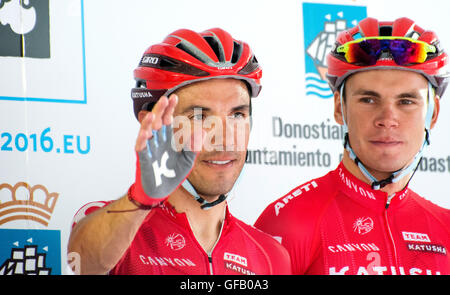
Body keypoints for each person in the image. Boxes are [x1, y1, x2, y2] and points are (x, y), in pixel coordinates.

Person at [67, 28, 291, 275]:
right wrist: (140, 200)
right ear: (151, 123)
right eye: (199, 115)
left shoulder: (271, 256)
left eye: (237, 114)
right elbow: (81, 263)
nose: (225, 137)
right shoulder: (117, 225)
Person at [255, 17, 450, 275]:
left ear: (433, 114)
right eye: (368, 99)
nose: (387, 119)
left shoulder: (444, 228)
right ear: (339, 108)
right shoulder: (289, 221)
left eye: (406, 101)